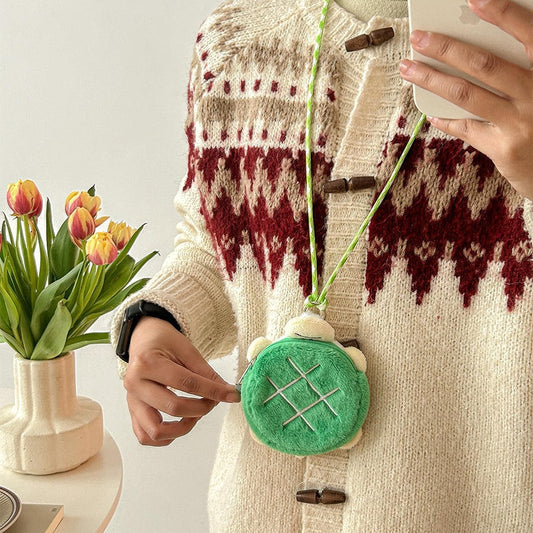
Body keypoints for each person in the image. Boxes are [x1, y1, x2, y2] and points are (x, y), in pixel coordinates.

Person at [111, 0, 533, 531]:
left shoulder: (521, 46)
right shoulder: (235, 40)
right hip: (260, 507)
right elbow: (216, 243)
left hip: (473, 506)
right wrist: (158, 319)